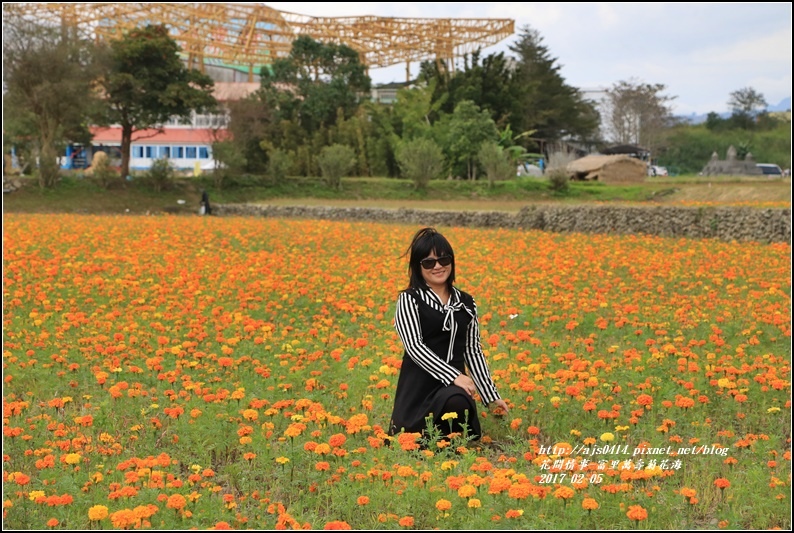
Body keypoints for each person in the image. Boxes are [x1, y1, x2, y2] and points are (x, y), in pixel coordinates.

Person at [388, 227, 509, 442]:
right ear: (418, 267)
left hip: (453, 386)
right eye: (428, 262)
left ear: (451, 262)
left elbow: (472, 351)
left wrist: (491, 395)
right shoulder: (409, 299)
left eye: (443, 260)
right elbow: (414, 347)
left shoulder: (466, 302)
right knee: (411, 437)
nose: (437, 266)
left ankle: (446, 443)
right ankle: (427, 443)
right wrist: (454, 376)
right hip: (419, 384)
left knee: (458, 400)